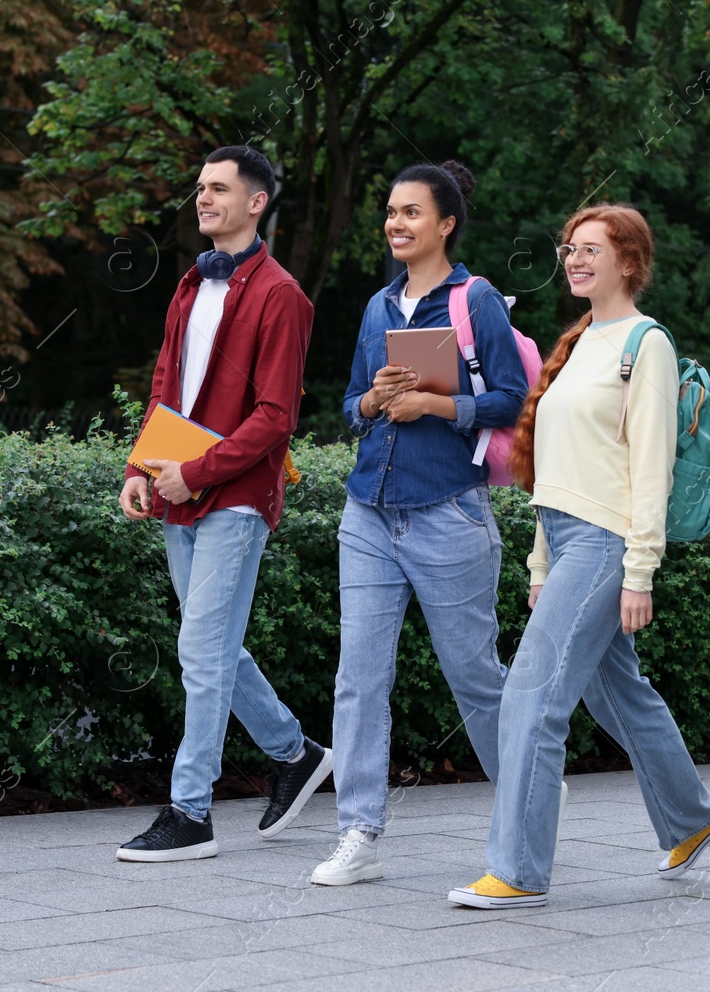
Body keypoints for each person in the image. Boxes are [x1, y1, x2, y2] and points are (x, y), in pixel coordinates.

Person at [449, 202, 710, 908]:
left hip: (608, 541)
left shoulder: (646, 344)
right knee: (620, 694)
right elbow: (556, 467)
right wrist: (542, 563)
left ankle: (518, 870)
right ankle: (692, 816)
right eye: (569, 248)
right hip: (568, 535)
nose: (574, 259)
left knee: (531, 696)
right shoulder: (576, 343)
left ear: (629, 263)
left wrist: (640, 571)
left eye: (591, 250)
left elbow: (649, 467)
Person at [310, 160, 533, 887]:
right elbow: (349, 403)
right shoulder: (378, 307)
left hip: (448, 511)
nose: (396, 223)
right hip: (368, 510)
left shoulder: (480, 301)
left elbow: (512, 398)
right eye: (390, 211)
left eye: (411, 212)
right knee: (359, 676)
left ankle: (527, 805)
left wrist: (436, 406)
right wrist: (374, 401)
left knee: (474, 675)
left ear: (446, 223)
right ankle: (358, 832)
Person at [115, 145, 332, 862]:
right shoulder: (188, 285)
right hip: (179, 488)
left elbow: (276, 418)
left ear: (256, 202)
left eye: (218, 188)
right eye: (200, 187)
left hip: (236, 495)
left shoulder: (282, 296)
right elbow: (164, 384)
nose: (202, 198)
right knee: (210, 646)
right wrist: (142, 466)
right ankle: (294, 753)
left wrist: (198, 472)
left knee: (200, 650)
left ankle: (190, 809)